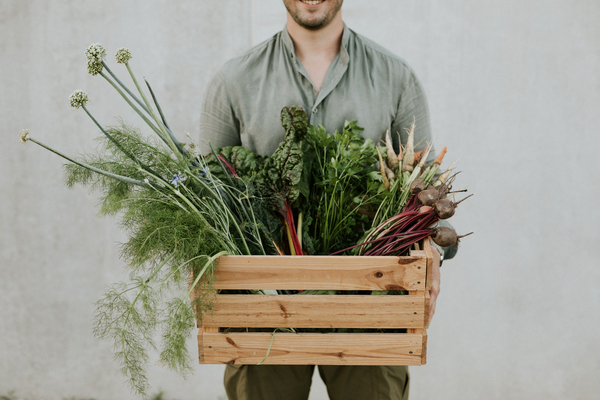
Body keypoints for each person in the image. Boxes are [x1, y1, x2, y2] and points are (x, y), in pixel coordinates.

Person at [199, 1, 455, 399]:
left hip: (370, 305)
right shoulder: (234, 80)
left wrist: (431, 250)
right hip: (266, 310)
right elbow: (207, 198)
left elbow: (426, 193)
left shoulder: (395, 77)